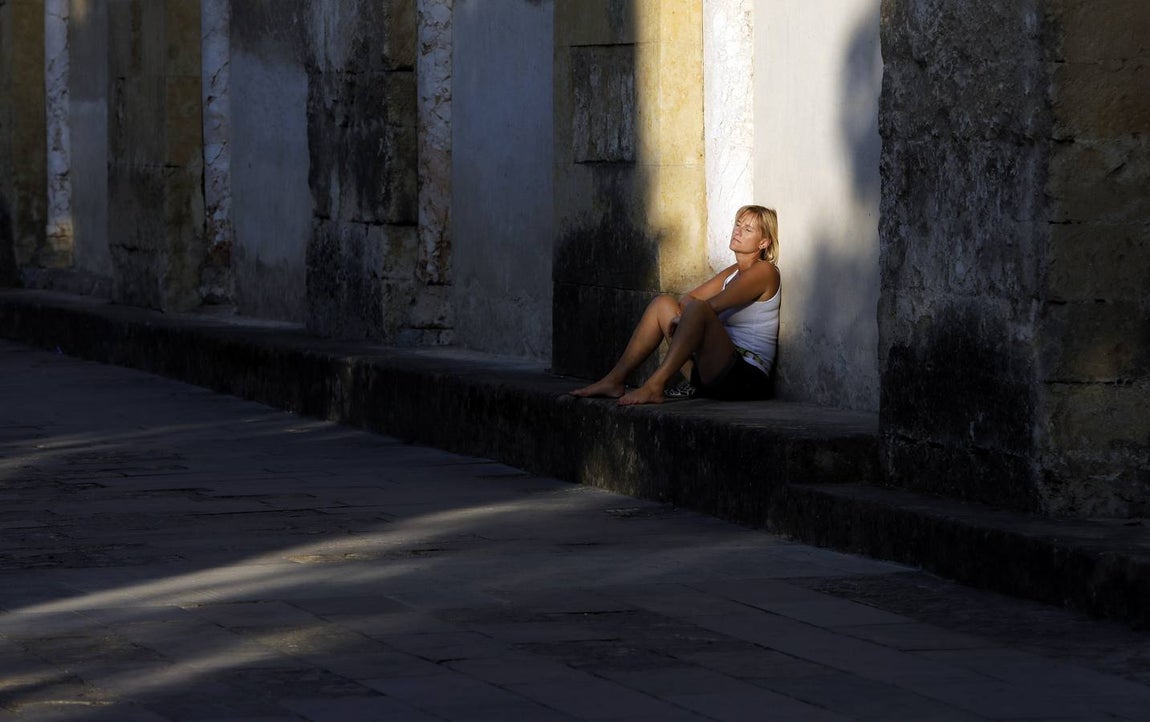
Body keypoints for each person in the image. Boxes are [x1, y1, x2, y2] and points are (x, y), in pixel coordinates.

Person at [571, 205, 780, 405]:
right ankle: (614, 380)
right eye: (738, 224)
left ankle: (655, 385)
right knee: (662, 304)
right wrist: (685, 317)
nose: (738, 231)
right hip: (712, 373)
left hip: (746, 378)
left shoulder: (765, 272)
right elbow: (687, 300)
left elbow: (712, 306)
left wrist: (689, 317)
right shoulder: (734, 271)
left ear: (763, 243)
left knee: (700, 309)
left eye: (748, 229)